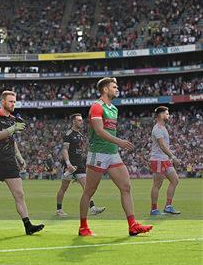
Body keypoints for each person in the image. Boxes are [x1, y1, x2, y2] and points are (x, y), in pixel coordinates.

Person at [79, 77, 153, 236]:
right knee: (89, 191)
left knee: (126, 187)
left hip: (112, 153)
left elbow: (108, 130)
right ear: (105, 89)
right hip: (97, 153)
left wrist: (116, 145)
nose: (117, 89)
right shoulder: (97, 107)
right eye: (114, 86)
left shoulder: (113, 108)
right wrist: (120, 141)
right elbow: (99, 131)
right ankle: (83, 227)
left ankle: (132, 225)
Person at [0, 91, 44, 236]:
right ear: (3, 102)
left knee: (19, 194)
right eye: (10, 101)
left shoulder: (13, 119)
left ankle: (28, 225)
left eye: (14, 102)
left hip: (9, 162)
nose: (13, 104)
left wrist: (19, 157)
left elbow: (11, 141)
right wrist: (12, 128)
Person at [55, 113, 106, 216]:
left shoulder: (81, 135)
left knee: (87, 187)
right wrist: (68, 164)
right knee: (63, 188)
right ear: (73, 121)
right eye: (79, 120)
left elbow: (80, 151)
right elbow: (64, 150)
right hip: (70, 167)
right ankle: (59, 210)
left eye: (81, 120)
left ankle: (92, 208)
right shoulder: (68, 134)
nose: (81, 122)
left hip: (80, 165)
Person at [150, 106, 181, 215]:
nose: (169, 115)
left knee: (175, 180)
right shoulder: (157, 128)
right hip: (158, 159)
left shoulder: (162, 127)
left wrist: (170, 157)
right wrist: (173, 157)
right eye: (167, 114)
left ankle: (168, 206)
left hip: (164, 159)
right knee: (157, 185)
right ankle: (154, 209)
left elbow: (164, 146)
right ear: (161, 115)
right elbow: (162, 146)